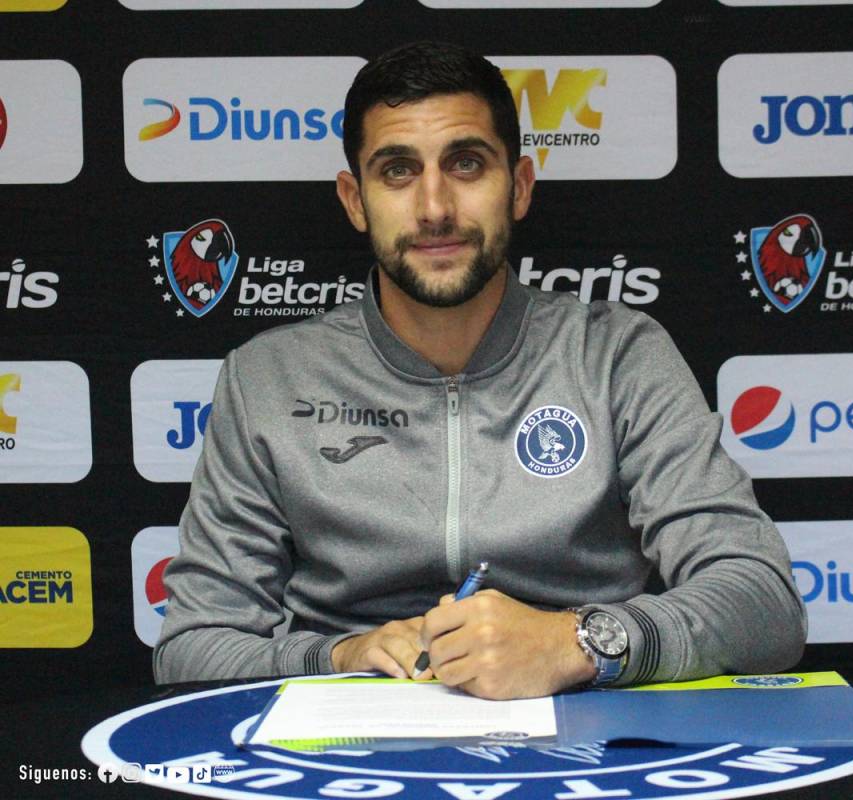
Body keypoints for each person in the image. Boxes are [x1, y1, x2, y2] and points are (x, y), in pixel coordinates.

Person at [153, 41, 806, 700]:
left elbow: (762, 602)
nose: (435, 207)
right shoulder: (267, 378)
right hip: (353, 734)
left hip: (584, 726)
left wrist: (577, 642)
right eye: (398, 171)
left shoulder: (617, 356)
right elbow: (192, 647)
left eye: (466, 164)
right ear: (355, 200)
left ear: (518, 186)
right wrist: (340, 655)